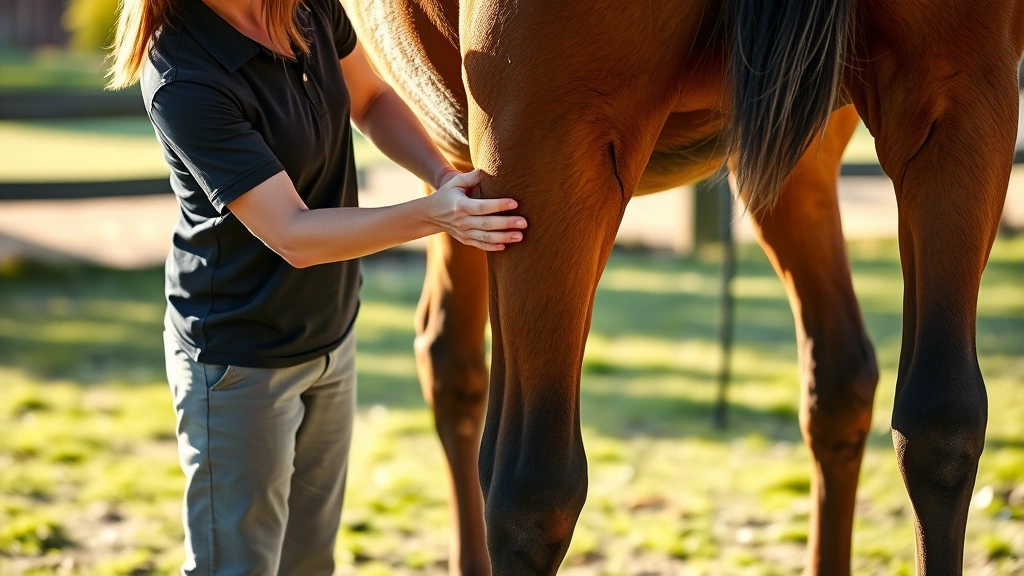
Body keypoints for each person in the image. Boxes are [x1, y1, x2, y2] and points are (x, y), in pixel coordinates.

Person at [107, 0, 526, 573]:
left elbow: (372, 99)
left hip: (329, 339)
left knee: (309, 564)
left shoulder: (307, 9)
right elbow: (293, 234)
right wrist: (436, 215)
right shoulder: (183, 76)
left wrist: (442, 174)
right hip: (239, 363)